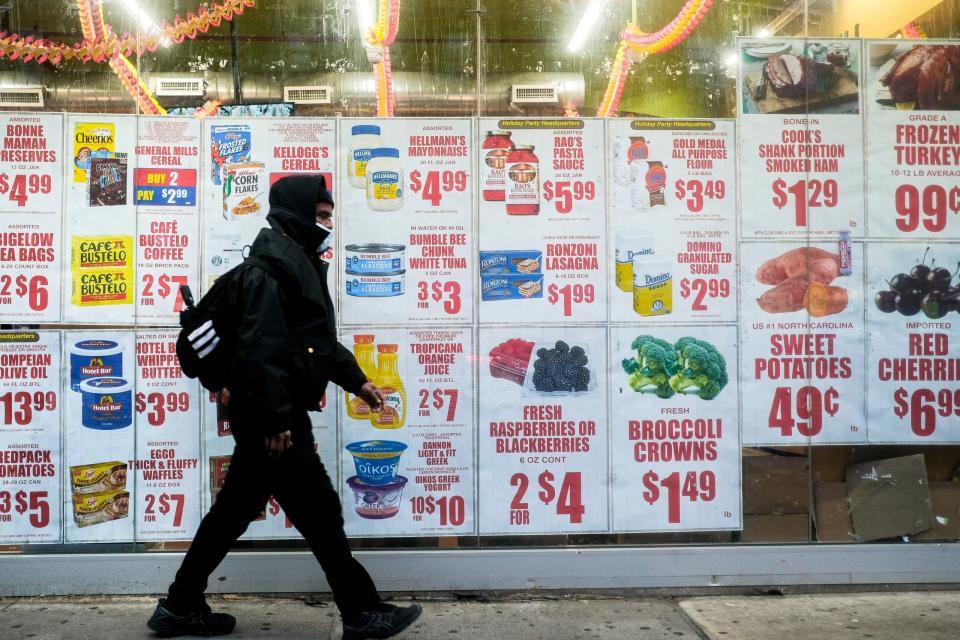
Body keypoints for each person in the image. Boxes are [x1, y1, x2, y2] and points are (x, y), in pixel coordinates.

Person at [148, 175, 422, 639]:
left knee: (237, 509)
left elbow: (313, 343)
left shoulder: (295, 264)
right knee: (319, 511)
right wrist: (277, 418)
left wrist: (358, 382)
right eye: (320, 216)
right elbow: (262, 349)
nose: (328, 224)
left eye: (329, 215)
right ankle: (360, 612)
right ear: (295, 214)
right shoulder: (269, 271)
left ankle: (180, 605)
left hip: (269, 412)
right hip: (273, 416)